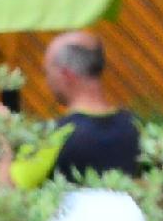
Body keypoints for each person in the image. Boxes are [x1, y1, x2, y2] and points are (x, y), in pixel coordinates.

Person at [31, 31, 142, 182]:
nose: (47, 82)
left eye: (48, 72)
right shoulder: (135, 126)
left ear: (66, 75)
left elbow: (7, 193)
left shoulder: (54, 136)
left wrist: (3, 144)